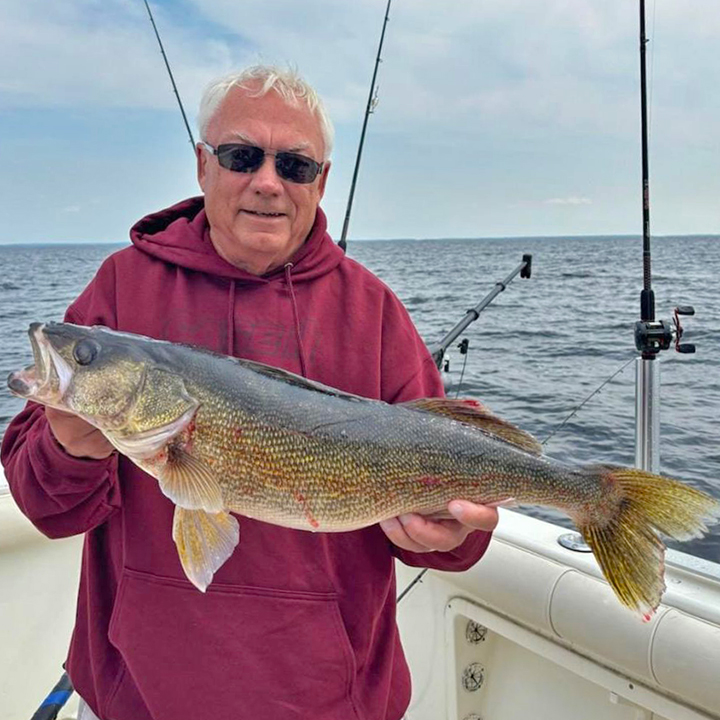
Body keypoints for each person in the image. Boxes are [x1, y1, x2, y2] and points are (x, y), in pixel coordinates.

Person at [2, 66, 497, 720]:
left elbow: (448, 536)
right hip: (138, 699)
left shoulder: (374, 313)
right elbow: (47, 506)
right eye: (241, 156)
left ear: (320, 184)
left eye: (294, 165)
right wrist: (71, 445)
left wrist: (446, 535)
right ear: (202, 166)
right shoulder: (120, 292)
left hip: (328, 702)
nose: (268, 182)